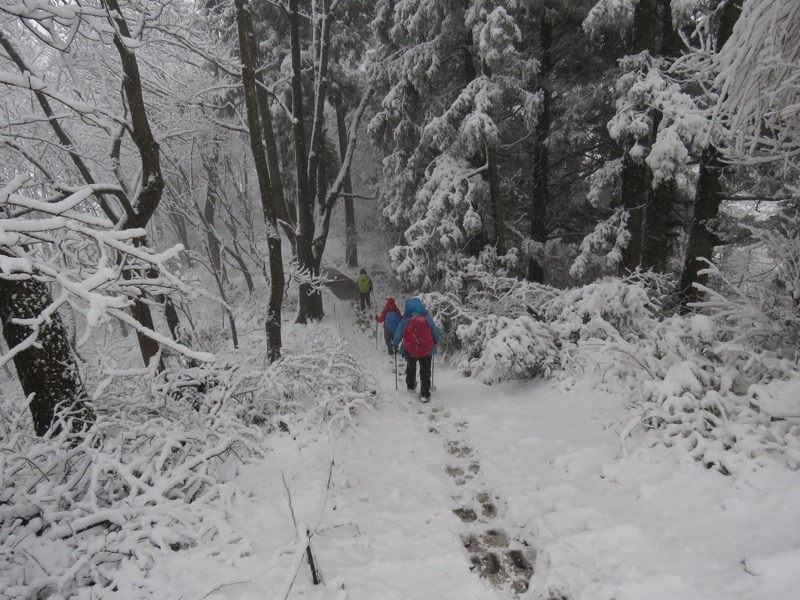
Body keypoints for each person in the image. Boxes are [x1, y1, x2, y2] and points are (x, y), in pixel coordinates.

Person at [392, 297, 441, 401]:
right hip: (426, 350)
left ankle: (411, 386)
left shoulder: (406, 319)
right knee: (425, 371)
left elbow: (398, 333)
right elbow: (435, 331)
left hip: (410, 350)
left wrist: (395, 344)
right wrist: (435, 341)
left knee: (411, 368)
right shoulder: (426, 318)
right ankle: (424, 394)